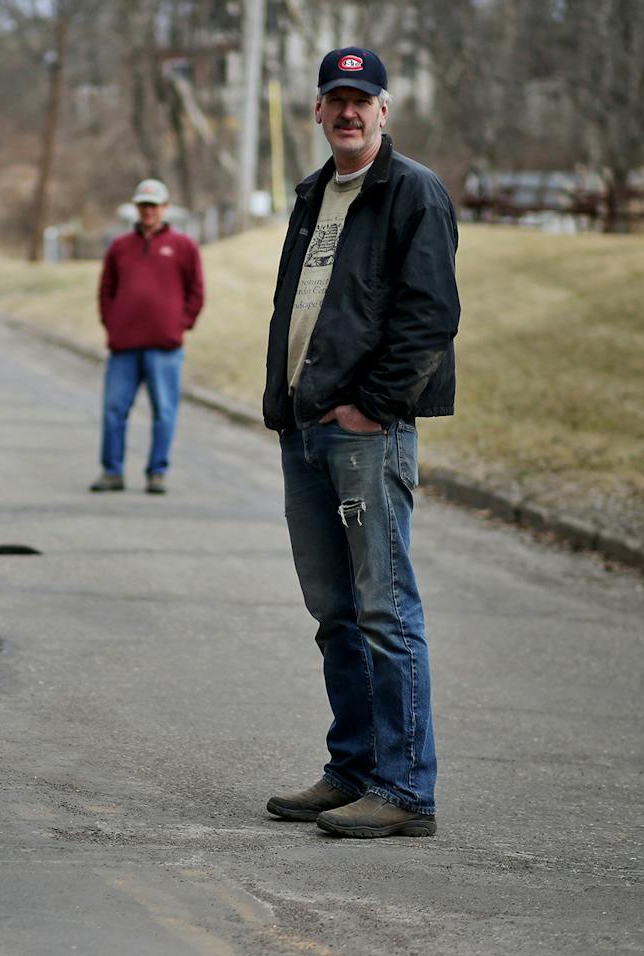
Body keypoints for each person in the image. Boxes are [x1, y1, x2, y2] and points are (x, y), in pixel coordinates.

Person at [262, 48, 459, 837]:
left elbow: (430, 316)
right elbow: (300, 303)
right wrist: (287, 405)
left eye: (362, 99)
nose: (348, 111)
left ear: (384, 111)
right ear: (318, 110)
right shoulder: (315, 194)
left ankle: (406, 790)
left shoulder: (414, 192)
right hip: (306, 430)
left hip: (366, 434)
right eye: (335, 98)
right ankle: (352, 768)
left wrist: (373, 407)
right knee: (335, 611)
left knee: (384, 607)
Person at [91, 178, 205, 495]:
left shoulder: (183, 247)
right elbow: (106, 290)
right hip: (124, 346)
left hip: (165, 347)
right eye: (143, 206)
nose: (148, 212)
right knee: (114, 410)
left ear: (164, 209)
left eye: (153, 206)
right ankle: (111, 471)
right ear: (136, 208)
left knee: (164, 411)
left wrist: (180, 324)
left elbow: (196, 291)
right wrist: (112, 323)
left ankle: (157, 472)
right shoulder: (119, 247)